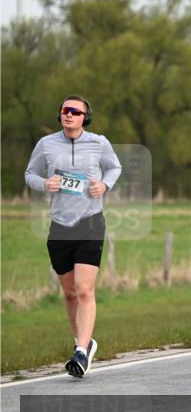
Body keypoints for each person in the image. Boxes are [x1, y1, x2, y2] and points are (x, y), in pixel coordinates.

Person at [24, 95, 122, 378]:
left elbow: (115, 167)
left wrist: (104, 185)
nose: (69, 115)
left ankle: (80, 352)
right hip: (59, 224)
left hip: (90, 222)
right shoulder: (46, 144)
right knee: (68, 293)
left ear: (85, 117)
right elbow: (30, 173)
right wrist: (45, 183)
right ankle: (84, 341)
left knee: (84, 289)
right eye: (65, 111)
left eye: (75, 112)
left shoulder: (99, 143)